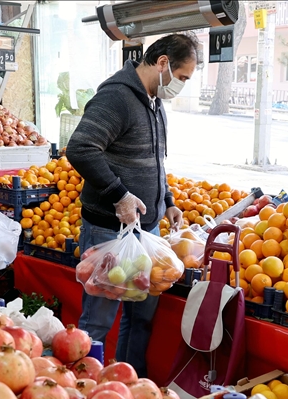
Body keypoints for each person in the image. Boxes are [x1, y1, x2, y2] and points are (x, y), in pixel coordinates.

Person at [66, 34, 200, 378]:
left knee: (140, 316)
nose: (181, 86)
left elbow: (154, 161)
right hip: (109, 229)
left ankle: (129, 382)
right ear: (163, 63)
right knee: (99, 318)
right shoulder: (116, 98)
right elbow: (80, 149)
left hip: (147, 229)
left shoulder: (153, 102)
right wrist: (119, 195)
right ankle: (80, 386)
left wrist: (166, 200)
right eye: (183, 77)